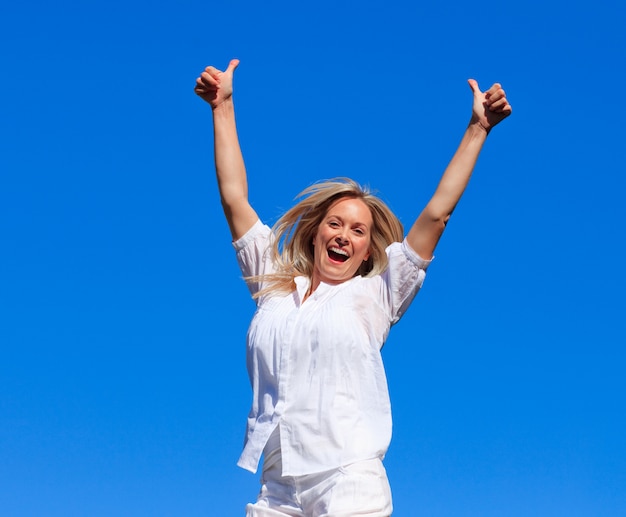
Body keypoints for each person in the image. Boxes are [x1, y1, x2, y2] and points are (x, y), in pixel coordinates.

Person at [195, 59, 512, 517]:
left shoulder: (377, 292)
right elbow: (233, 199)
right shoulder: (275, 286)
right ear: (316, 233)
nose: (344, 235)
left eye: (358, 231)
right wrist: (221, 107)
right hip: (278, 483)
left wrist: (478, 130)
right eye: (335, 224)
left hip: (348, 476)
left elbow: (437, 215)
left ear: (368, 251)